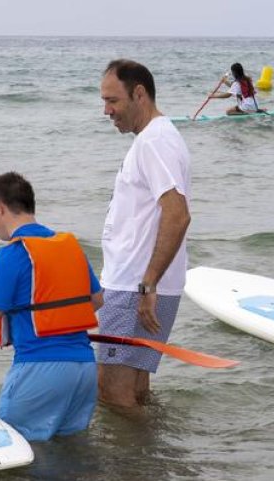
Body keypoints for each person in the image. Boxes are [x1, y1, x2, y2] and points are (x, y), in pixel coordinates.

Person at [0, 172, 102, 441]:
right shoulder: (70, 248)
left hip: (40, 369)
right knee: (68, 453)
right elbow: (97, 300)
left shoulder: (13, 255)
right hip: (83, 371)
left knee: (11, 446)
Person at [98, 59, 192, 408]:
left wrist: (147, 283)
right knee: (135, 390)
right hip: (145, 285)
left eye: (113, 101)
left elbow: (178, 214)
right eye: (104, 101)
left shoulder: (154, 141)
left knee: (112, 392)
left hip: (134, 287)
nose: (107, 111)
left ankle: (131, 463)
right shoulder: (159, 137)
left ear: (139, 94)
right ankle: (150, 460)